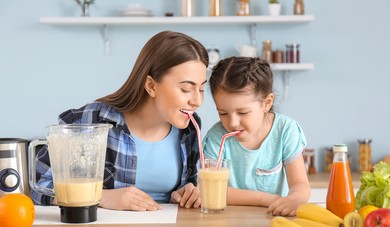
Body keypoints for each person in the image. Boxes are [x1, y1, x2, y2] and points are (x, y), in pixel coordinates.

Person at [32, 31, 209, 211]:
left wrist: (186, 192)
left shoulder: (190, 128)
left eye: (201, 89)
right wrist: (100, 197)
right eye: (186, 89)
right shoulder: (93, 120)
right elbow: (36, 186)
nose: (198, 101)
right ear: (151, 85)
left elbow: (189, 185)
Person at [203, 56, 310, 216]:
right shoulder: (216, 137)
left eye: (243, 112)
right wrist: (266, 199)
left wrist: (295, 199)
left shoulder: (286, 131)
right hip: (228, 221)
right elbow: (212, 190)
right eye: (223, 113)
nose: (232, 123)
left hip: (273, 218)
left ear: (266, 103)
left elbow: (300, 184)